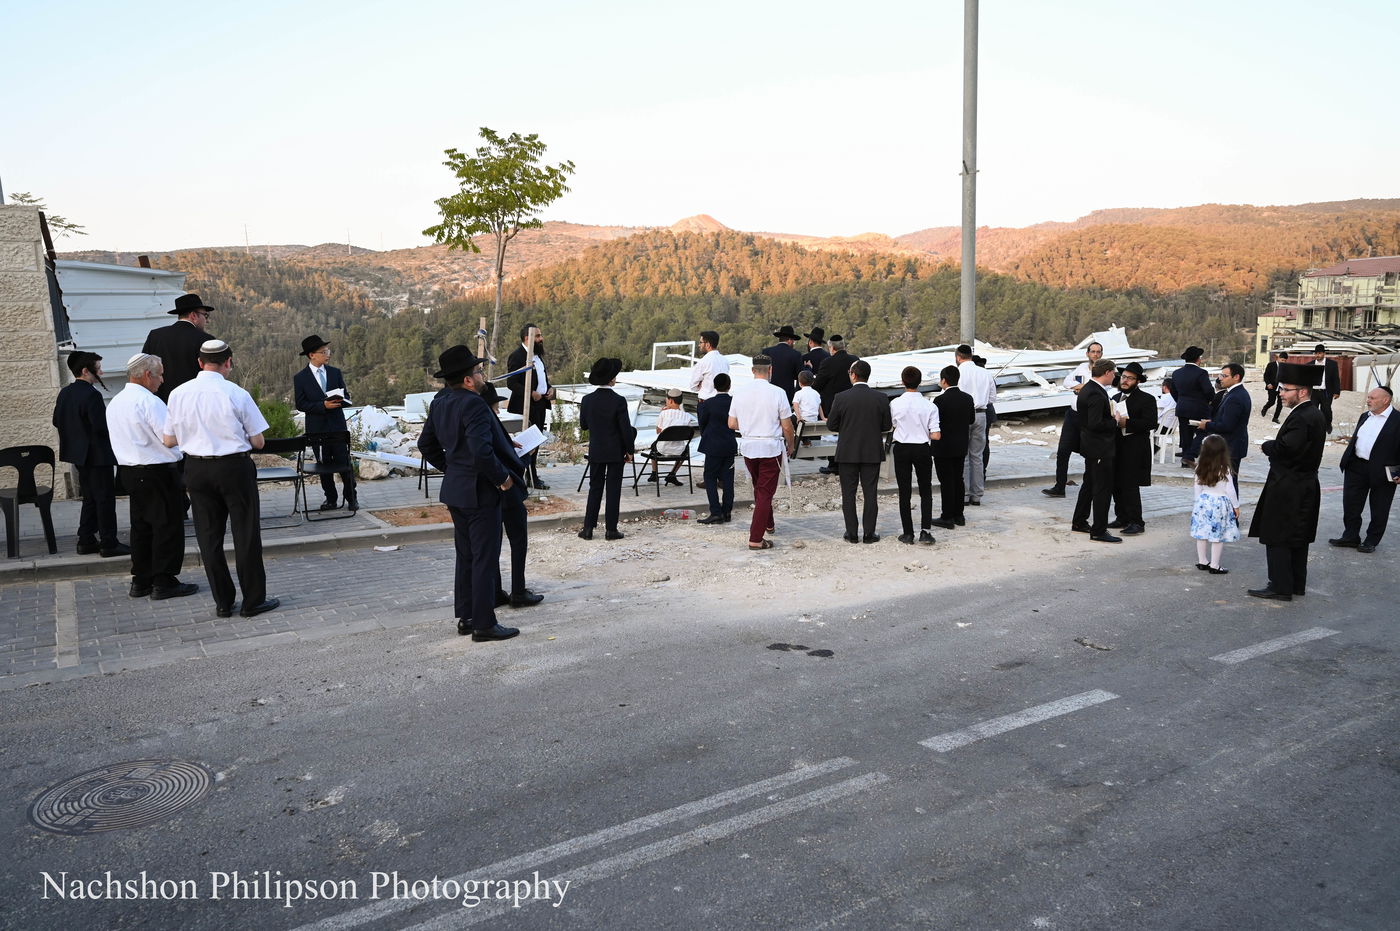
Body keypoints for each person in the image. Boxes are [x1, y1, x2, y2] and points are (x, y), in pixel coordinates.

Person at [162, 339, 278, 618]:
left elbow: (168, 440)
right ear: (228, 362)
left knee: (209, 537)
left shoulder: (178, 394)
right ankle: (252, 601)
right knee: (245, 535)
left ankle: (223, 602)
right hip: (233, 468)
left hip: (196, 469)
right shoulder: (236, 393)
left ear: (199, 363)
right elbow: (259, 441)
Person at [417, 346, 521, 640]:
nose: (481, 375)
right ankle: (484, 624)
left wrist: (453, 468)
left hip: (456, 489)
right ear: (467, 380)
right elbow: (480, 451)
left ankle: (467, 617)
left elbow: (426, 445)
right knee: (485, 558)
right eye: (477, 371)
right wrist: (502, 478)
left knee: (466, 556)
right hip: (480, 491)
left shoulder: (440, 403)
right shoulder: (474, 404)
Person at [105, 353, 196, 600]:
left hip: (129, 471)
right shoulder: (149, 402)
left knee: (142, 527)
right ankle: (164, 581)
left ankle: (141, 579)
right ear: (147, 375)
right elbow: (168, 437)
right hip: (157, 471)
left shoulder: (115, 402)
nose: (162, 380)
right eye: (159, 374)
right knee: (167, 526)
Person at [1246, 362, 1328, 601]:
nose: (1280, 393)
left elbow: (1288, 449)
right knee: (1297, 536)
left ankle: (1280, 586)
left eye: (1285, 389)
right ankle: (1294, 584)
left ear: (1302, 391)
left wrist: (1268, 445)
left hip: (1289, 486)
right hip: (1301, 484)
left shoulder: (1304, 416)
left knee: (1279, 535)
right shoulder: (1311, 413)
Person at [52, 351, 128, 557]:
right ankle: (108, 542)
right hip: (97, 454)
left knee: (90, 498)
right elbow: (100, 427)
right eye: (98, 368)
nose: (101, 372)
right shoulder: (91, 394)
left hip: (78, 456)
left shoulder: (65, 393)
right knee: (104, 499)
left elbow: (56, 421)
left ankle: (86, 539)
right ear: (86, 371)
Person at [728, 354, 795, 550]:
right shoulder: (778, 392)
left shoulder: (740, 393)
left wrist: (749, 426)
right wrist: (790, 444)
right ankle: (756, 538)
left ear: (752, 370)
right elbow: (787, 426)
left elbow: (731, 423)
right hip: (770, 447)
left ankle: (768, 523)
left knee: (760, 489)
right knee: (765, 492)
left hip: (749, 446)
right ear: (770, 370)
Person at [827, 359, 891, 544]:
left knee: (849, 493)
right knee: (870, 493)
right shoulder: (880, 398)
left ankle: (852, 533)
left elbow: (832, 425)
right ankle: (869, 534)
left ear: (853, 375)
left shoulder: (841, 397)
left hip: (847, 451)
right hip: (871, 451)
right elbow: (886, 425)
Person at [1329, 386, 1399, 554]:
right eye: (1368, 397)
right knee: (1351, 504)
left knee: (1379, 508)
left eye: (1372, 398)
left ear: (1386, 400)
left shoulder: (1397, 420)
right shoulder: (1364, 416)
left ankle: (1371, 540)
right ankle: (1351, 536)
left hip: (1384, 471)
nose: (1368, 400)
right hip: (1356, 467)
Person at [293, 335, 358, 511]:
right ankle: (330, 499)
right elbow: (301, 404)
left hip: (337, 426)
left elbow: (346, 397)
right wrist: (323, 405)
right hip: (317, 429)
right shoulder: (300, 378)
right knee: (324, 465)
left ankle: (352, 498)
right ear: (311, 355)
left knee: (344, 462)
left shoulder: (335, 373)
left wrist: (339, 401)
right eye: (323, 352)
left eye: (327, 351)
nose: (327, 354)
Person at [578, 358, 636, 541]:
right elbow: (625, 429)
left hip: (596, 450)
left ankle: (588, 528)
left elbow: (584, 426)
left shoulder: (587, 400)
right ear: (612, 379)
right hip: (615, 452)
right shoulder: (619, 401)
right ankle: (611, 529)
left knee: (594, 488)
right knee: (613, 490)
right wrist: (630, 450)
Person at [1043, 340, 1103, 497]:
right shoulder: (1082, 368)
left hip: (1089, 417)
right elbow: (1067, 382)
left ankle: (1089, 486)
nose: (1095, 354)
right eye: (1093, 351)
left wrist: (1083, 388)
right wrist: (1082, 387)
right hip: (1073, 414)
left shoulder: (1105, 370)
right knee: (1063, 451)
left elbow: (1102, 389)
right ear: (1087, 353)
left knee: (1088, 453)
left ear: (1101, 354)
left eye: (1098, 352)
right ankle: (1059, 486)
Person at [1071, 359, 1121, 543]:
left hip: (1091, 446)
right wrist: (1114, 420)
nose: (1115, 376)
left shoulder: (1090, 389)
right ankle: (1099, 530)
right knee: (1101, 489)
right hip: (1099, 447)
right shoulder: (1095, 393)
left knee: (1089, 484)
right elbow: (1095, 423)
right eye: (1114, 373)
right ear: (1107, 372)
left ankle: (1079, 521)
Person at [889, 365, 940, 544]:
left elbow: (892, 425)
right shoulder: (929, 405)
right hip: (922, 448)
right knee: (925, 490)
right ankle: (925, 531)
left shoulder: (895, 403)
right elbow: (936, 434)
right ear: (920, 382)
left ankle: (908, 533)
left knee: (904, 491)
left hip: (902, 447)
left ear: (903, 381)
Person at [1108, 361, 1157, 536]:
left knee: (1130, 485)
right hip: (1116, 447)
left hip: (1135, 448)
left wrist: (1126, 423)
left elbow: (1151, 423)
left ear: (1138, 381)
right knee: (1116, 484)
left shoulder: (1147, 399)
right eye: (1124, 377)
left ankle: (1137, 521)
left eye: (1130, 378)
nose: (1126, 380)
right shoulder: (1114, 398)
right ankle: (1121, 517)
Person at [142, 293, 216, 402]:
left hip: (162, 404)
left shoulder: (155, 336)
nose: (207, 320)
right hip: (195, 403)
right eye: (205, 315)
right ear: (194, 316)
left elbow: (144, 369)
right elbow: (213, 376)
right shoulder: (206, 340)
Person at [506, 323, 554, 489]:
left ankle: (532, 475)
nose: (542, 339)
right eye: (538, 336)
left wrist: (550, 389)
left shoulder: (538, 357)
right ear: (528, 338)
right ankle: (525, 475)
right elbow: (511, 382)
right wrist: (530, 392)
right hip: (525, 406)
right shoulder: (517, 356)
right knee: (528, 442)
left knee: (537, 440)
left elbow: (543, 379)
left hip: (540, 404)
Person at [1190, 434, 1241, 575]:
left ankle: (1202, 561)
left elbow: (1197, 487)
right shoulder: (1225, 469)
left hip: (1203, 501)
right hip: (1220, 503)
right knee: (1217, 535)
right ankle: (1215, 564)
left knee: (1202, 533)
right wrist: (1235, 506)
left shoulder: (1199, 467)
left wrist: (1197, 503)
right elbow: (1230, 490)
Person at [931, 366, 973, 530]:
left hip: (943, 447)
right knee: (958, 479)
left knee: (946, 481)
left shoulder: (939, 401)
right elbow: (971, 420)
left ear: (943, 380)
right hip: (961, 445)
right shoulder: (967, 398)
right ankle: (959, 514)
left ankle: (947, 516)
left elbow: (935, 423)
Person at [1197, 362, 1250, 490]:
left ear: (1236, 377)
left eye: (1224, 376)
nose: (1220, 378)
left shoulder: (1236, 397)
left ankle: (1233, 509)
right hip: (1231, 445)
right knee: (1227, 482)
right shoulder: (1233, 393)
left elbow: (1227, 425)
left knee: (1229, 483)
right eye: (1221, 375)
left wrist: (1207, 425)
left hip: (1231, 446)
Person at [956, 344, 996, 507]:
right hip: (981, 414)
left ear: (958, 357)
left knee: (964, 455)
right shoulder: (985, 373)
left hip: (962, 416)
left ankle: (964, 494)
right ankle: (977, 495)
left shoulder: (957, 372)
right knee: (977, 456)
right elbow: (992, 398)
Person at [813, 335, 856, 474]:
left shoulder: (827, 363)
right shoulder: (855, 360)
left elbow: (818, 385)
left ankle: (833, 464)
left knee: (832, 435)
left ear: (832, 348)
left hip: (832, 404)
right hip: (852, 403)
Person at [697, 373, 737, 524]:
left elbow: (702, 423)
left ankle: (715, 511)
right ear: (729, 385)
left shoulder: (708, 403)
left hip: (713, 445)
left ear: (714, 386)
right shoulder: (734, 402)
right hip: (729, 444)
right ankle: (727, 511)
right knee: (728, 479)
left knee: (710, 478)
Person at [1170, 346, 1214, 467]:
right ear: (1198, 359)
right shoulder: (1201, 373)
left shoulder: (1176, 373)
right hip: (1199, 408)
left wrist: (1180, 401)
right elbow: (1208, 391)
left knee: (1185, 435)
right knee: (1204, 430)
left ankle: (1185, 461)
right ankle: (1190, 455)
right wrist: (1210, 400)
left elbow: (1173, 391)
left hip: (1182, 408)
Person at [647, 388, 694, 485]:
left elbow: (658, 431)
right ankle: (672, 474)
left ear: (671, 400)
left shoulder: (664, 413)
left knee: (654, 445)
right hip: (679, 451)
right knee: (686, 450)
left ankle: (654, 473)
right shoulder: (687, 416)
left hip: (662, 449)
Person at [763, 325, 804, 400]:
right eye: (793, 341)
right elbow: (799, 376)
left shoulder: (766, 352)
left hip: (768, 395)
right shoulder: (796, 354)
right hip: (787, 395)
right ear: (789, 340)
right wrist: (807, 367)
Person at [688, 330, 729, 404]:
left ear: (708, 345)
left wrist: (701, 384)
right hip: (722, 402)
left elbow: (693, 386)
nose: (699, 345)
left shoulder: (703, 362)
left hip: (706, 403)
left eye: (701, 342)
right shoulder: (725, 361)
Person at [1310, 344, 1342, 434]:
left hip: (1326, 392)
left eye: (1319, 353)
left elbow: (1336, 378)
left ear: (1324, 353)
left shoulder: (1332, 364)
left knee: (1326, 410)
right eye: (1316, 353)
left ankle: (1328, 425)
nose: (1317, 355)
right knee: (1313, 411)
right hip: (1314, 393)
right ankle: (1314, 427)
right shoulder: (1310, 365)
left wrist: (1337, 391)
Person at [1260, 351, 1286, 422]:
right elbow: (1266, 375)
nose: (1283, 362)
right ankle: (1265, 408)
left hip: (1281, 387)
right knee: (1272, 401)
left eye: (1285, 361)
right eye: (1282, 360)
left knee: (1280, 404)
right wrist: (1268, 384)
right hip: (1272, 387)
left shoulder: (1285, 367)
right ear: (1279, 358)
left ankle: (1275, 418)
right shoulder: (1271, 365)